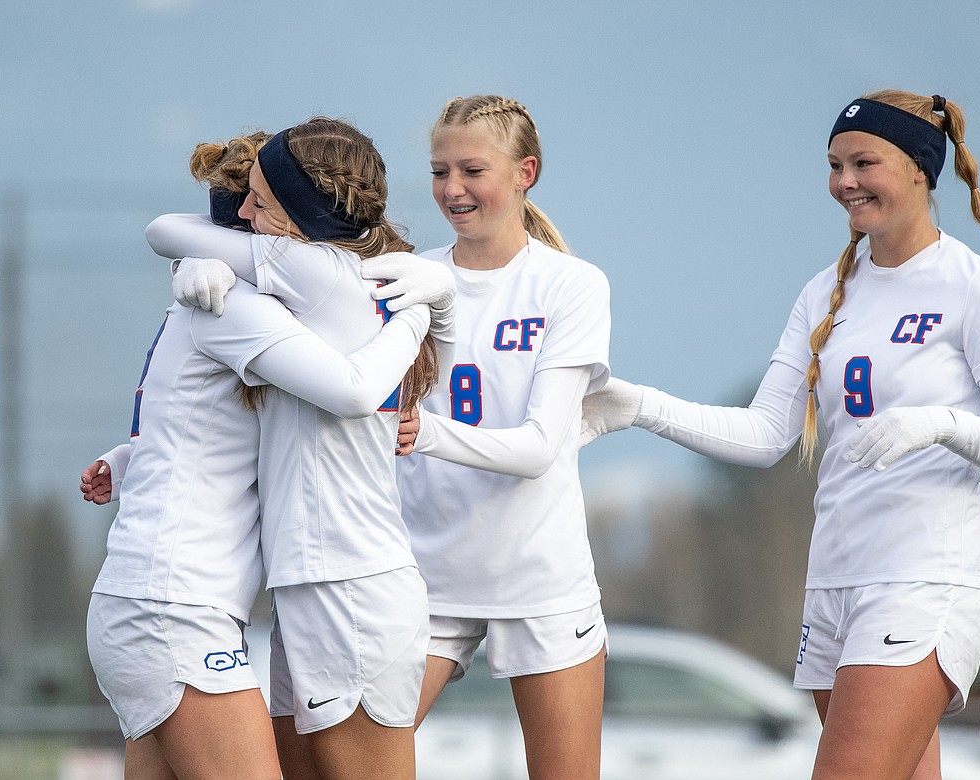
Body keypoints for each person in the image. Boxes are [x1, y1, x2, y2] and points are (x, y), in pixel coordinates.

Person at [579, 89, 980, 780]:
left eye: (863, 162)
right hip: (834, 586)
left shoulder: (977, 289)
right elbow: (763, 436)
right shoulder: (825, 292)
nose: (845, 182)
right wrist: (639, 405)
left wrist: (940, 424)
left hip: (924, 581)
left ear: (918, 170)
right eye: (835, 164)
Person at [82, 131, 440, 780]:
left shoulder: (270, 289)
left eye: (262, 203)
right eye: (245, 203)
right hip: (182, 603)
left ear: (301, 217)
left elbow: (168, 231)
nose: (248, 216)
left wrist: (430, 304)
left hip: (249, 597)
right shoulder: (244, 301)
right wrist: (430, 304)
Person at [358, 95, 612, 780]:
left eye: (473, 170)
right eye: (440, 171)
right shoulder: (407, 275)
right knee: (343, 764)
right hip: (425, 577)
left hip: (540, 579)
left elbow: (536, 450)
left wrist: (428, 433)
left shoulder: (572, 285)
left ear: (526, 171)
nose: (452, 189)